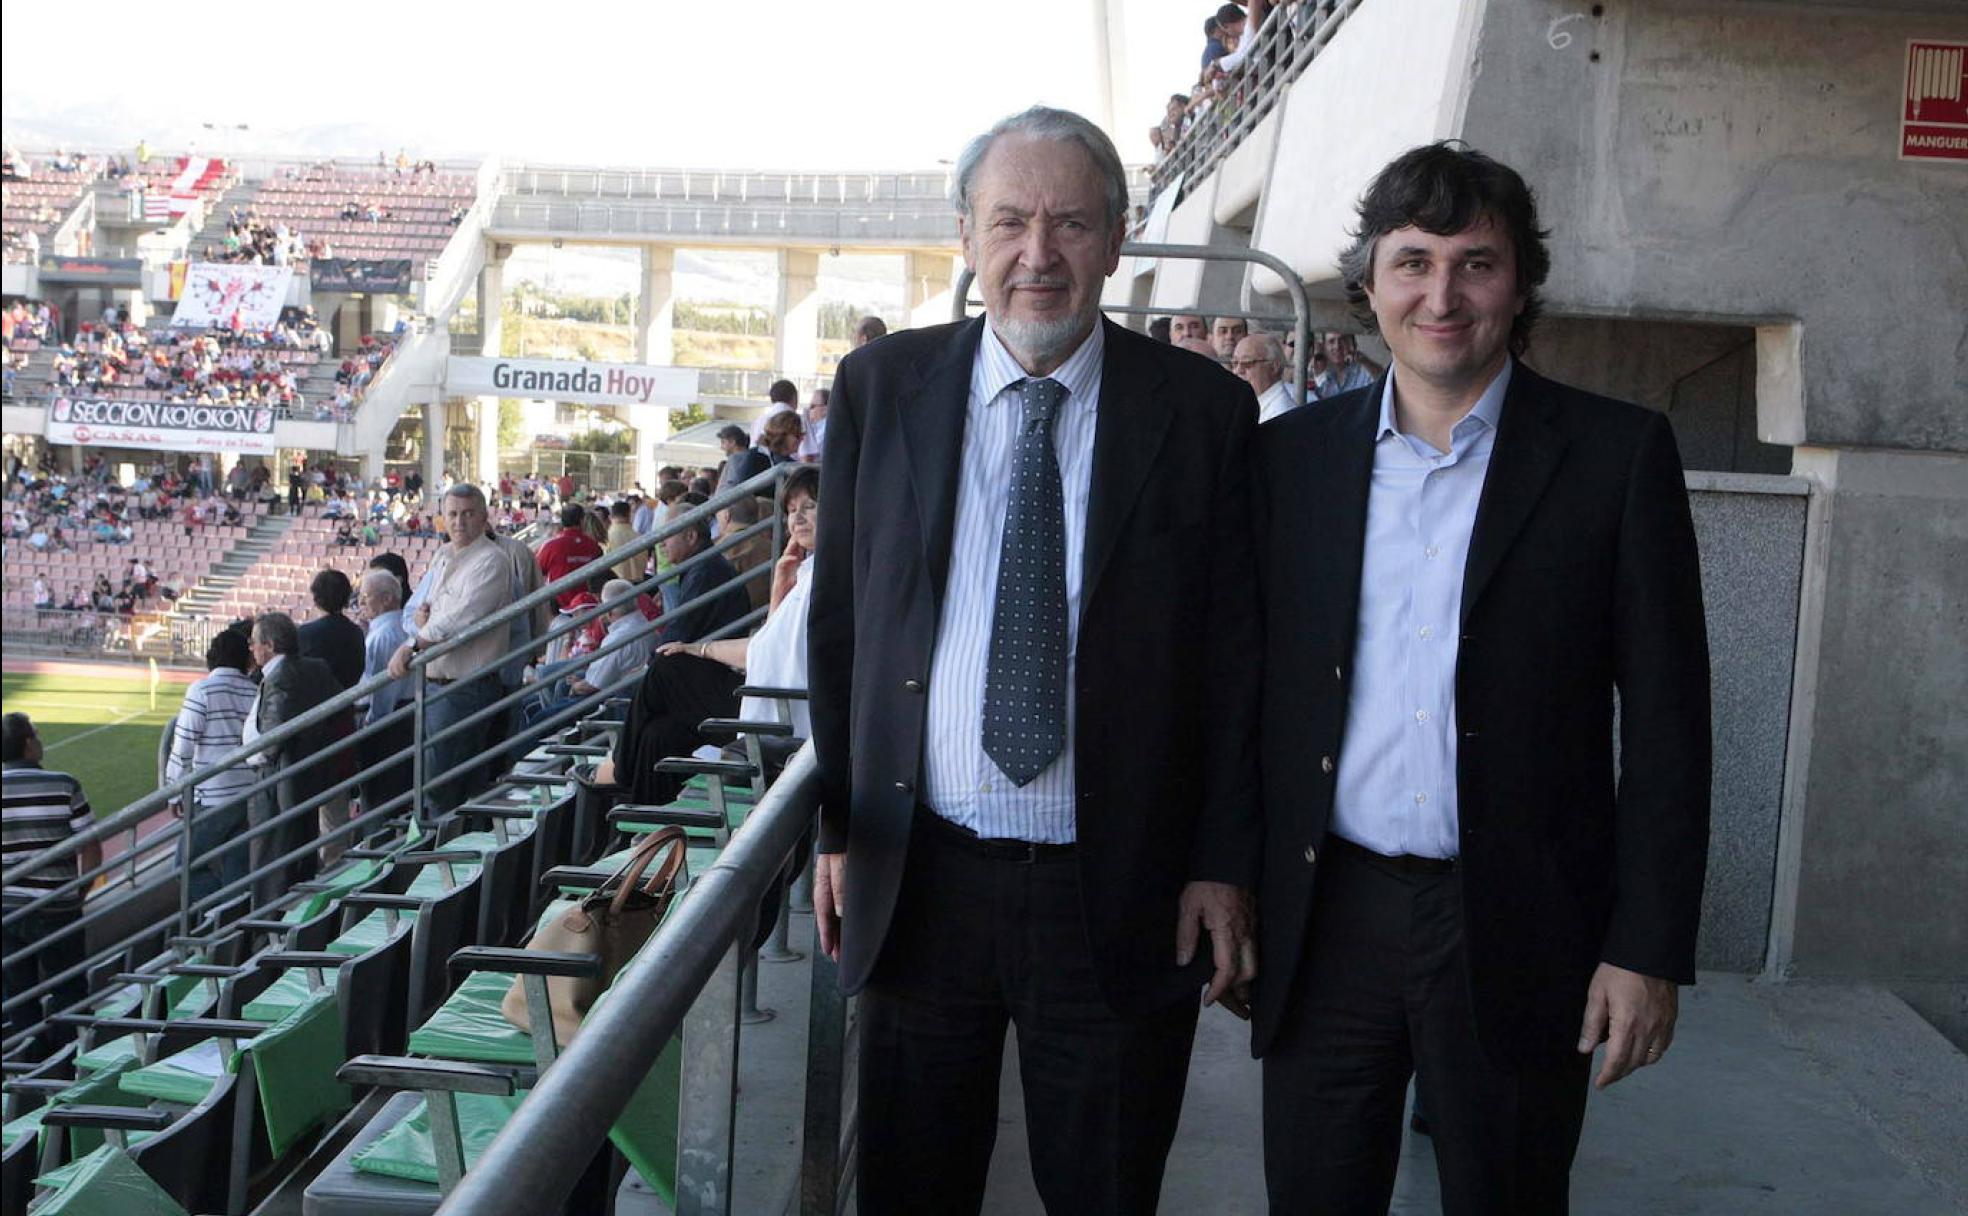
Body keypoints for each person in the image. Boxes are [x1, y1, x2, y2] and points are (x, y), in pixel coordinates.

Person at [807, 106, 1262, 1215]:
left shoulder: (1203, 411)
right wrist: (835, 824)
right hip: (923, 879)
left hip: (1118, 888)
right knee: (912, 1188)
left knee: (1104, 1192)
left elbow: (1239, 655)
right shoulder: (881, 388)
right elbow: (841, 626)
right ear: (965, 235)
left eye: (1069, 223)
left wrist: (1220, 858)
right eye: (1009, 222)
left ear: (1115, 239)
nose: (1038, 255)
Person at [1253, 141, 1712, 1214]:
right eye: (1412, 261)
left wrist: (1646, 947)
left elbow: (1668, 727)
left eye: (1476, 262)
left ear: (1521, 283)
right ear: (1369, 284)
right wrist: (1228, 876)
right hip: (1329, 915)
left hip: (1520, 918)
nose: (1441, 294)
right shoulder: (1290, 460)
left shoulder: (1617, 457)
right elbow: (1246, 698)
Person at [601, 466, 821, 804]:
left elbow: (763, 653)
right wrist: (697, 648)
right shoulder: (804, 574)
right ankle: (643, 832)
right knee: (660, 735)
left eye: (810, 506)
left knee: (665, 667)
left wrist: (697, 650)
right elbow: (769, 646)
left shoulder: (826, 579)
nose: (798, 518)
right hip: (768, 700)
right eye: (792, 510)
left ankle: (618, 768)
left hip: (780, 717)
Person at [387, 485, 516, 814]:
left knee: (443, 786)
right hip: (437, 684)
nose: (460, 521)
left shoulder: (492, 561)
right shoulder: (443, 555)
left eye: (469, 513)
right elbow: (430, 611)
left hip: (465, 687)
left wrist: (412, 645)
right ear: (443, 518)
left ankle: (444, 854)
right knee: (443, 782)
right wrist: (422, 621)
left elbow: (457, 619)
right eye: (453, 514)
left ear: (485, 517)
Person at [2, 713, 101, 1047]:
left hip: (8, 910)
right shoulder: (64, 783)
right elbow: (90, 844)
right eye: (36, 733)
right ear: (28, 744)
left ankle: (30, 1065)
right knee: (70, 989)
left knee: (17, 993)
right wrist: (79, 892)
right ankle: (68, 1062)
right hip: (59, 907)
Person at [242, 612, 339, 904]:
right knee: (299, 860)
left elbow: (270, 743)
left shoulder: (282, 677)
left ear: (269, 645)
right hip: (304, 780)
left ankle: (265, 935)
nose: (251, 648)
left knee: (270, 867)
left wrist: (256, 755)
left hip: (276, 784)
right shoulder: (316, 667)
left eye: (254, 643)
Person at [165, 629, 259, 905]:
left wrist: (174, 791)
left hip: (213, 798)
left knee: (185, 868)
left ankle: (219, 916)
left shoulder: (201, 690)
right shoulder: (255, 692)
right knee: (238, 873)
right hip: (249, 794)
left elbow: (182, 747)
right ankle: (232, 932)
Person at [299, 569, 365, 865]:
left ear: (315, 597)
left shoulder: (305, 635)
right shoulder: (355, 634)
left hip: (312, 731)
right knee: (336, 813)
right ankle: (335, 872)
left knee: (304, 808)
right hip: (343, 724)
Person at [355, 568, 413, 817]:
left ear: (387, 598)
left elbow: (382, 691)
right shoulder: (401, 627)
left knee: (380, 800)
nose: (360, 603)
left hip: (386, 725)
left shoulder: (384, 636)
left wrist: (371, 724)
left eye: (366, 596)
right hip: (400, 719)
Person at [654, 509, 752, 646]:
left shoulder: (703, 572)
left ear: (691, 537)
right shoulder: (703, 566)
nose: (661, 543)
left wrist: (654, 658)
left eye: (668, 535)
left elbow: (679, 631)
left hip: (713, 657)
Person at [535, 503, 605, 610]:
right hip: (588, 608)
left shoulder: (550, 546)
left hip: (561, 609)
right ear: (582, 520)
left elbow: (536, 572)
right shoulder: (594, 546)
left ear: (562, 522)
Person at [1232, 332, 1298, 423]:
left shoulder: (1280, 413)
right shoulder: (1253, 404)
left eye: (1247, 363)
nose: (1238, 371)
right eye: (1235, 363)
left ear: (1274, 367)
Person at [1315, 330, 1379, 398]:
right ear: (1324, 348)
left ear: (1351, 344)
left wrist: (1365, 361)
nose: (1337, 346)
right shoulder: (1325, 379)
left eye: (1342, 340)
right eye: (1331, 342)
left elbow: (1383, 381)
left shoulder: (1364, 371)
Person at [606, 500, 644, 582]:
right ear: (629, 514)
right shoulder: (640, 537)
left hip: (615, 583)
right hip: (639, 585)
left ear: (611, 515)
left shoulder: (607, 536)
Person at [713, 424, 752, 492]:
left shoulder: (736, 459)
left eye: (723, 442)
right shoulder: (749, 456)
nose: (721, 447)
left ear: (732, 442)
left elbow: (731, 485)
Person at [798, 387, 830, 462]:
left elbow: (807, 457)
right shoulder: (817, 427)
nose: (809, 410)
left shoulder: (826, 429)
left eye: (812, 406)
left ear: (826, 408)